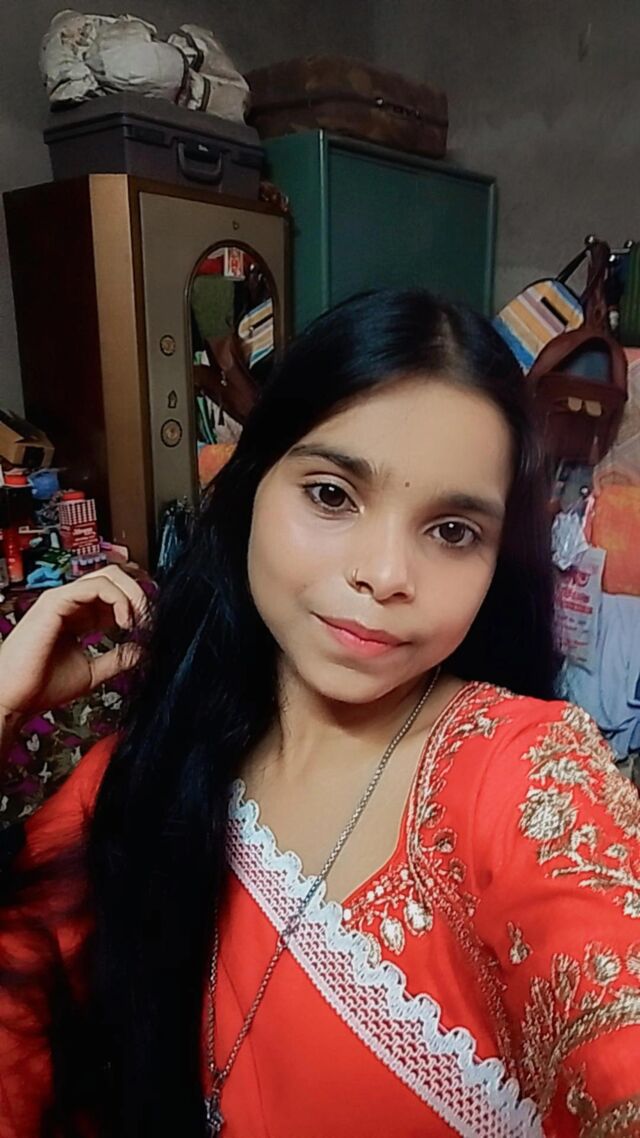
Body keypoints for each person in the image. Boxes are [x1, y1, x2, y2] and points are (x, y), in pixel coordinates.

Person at [0, 289, 639, 1138]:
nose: (385, 574)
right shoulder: (145, 768)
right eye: (333, 495)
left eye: (452, 531)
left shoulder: (523, 775)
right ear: (251, 486)